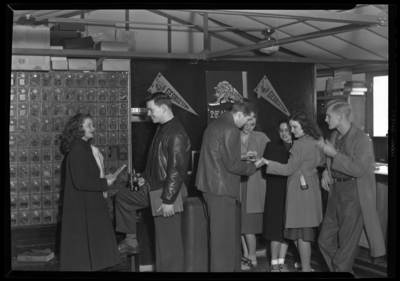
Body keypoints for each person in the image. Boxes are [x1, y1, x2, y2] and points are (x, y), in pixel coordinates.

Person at [115, 92, 191, 272]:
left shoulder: (177, 134)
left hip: (166, 192)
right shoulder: (162, 128)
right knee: (123, 198)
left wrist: (168, 200)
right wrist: (144, 178)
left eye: (151, 110)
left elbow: (176, 171)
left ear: (164, 108)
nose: (148, 114)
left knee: (168, 244)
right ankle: (131, 241)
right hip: (154, 187)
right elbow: (155, 160)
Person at [317, 99, 385, 273]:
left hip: (354, 192)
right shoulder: (334, 135)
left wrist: (334, 154)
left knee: (347, 241)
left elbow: (358, 169)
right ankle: (343, 271)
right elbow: (328, 160)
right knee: (324, 240)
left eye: (328, 116)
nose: (325, 120)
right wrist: (326, 170)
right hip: (335, 191)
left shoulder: (361, 139)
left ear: (340, 117)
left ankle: (341, 270)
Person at [195, 101, 264, 272]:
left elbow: (218, 156)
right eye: (247, 120)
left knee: (224, 238)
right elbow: (232, 166)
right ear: (239, 114)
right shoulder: (231, 128)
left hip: (212, 187)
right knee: (223, 243)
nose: (246, 125)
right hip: (222, 189)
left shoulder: (215, 125)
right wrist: (253, 166)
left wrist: (240, 156)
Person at [262, 111, 324, 272]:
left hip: (299, 190)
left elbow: (288, 169)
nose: (292, 131)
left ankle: (305, 269)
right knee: (302, 232)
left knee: (301, 233)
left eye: (295, 127)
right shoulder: (316, 140)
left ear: (305, 126)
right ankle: (306, 267)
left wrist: (267, 162)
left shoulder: (300, 144)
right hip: (311, 188)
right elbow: (323, 160)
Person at [59, 113, 121, 271]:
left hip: (89, 202)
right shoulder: (78, 150)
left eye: (92, 125)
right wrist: (104, 183)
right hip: (85, 204)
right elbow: (80, 182)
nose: (93, 128)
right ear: (78, 129)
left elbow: (87, 176)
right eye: (89, 125)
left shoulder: (84, 148)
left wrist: (104, 179)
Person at [239, 116, 270, 270]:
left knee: (249, 225)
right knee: (239, 224)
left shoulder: (261, 137)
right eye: (247, 123)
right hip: (238, 185)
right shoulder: (232, 136)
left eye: (253, 124)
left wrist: (258, 162)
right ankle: (246, 255)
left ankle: (252, 256)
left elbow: (270, 157)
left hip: (254, 185)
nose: (249, 127)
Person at [262, 119, 293, 272]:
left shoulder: (298, 146)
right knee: (275, 228)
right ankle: (274, 262)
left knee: (287, 228)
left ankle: (282, 261)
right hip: (276, 191)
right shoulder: (271, 146)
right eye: (281, 131)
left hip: (292, 192)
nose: (284, 133)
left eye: (287, 130)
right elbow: (264, 171)